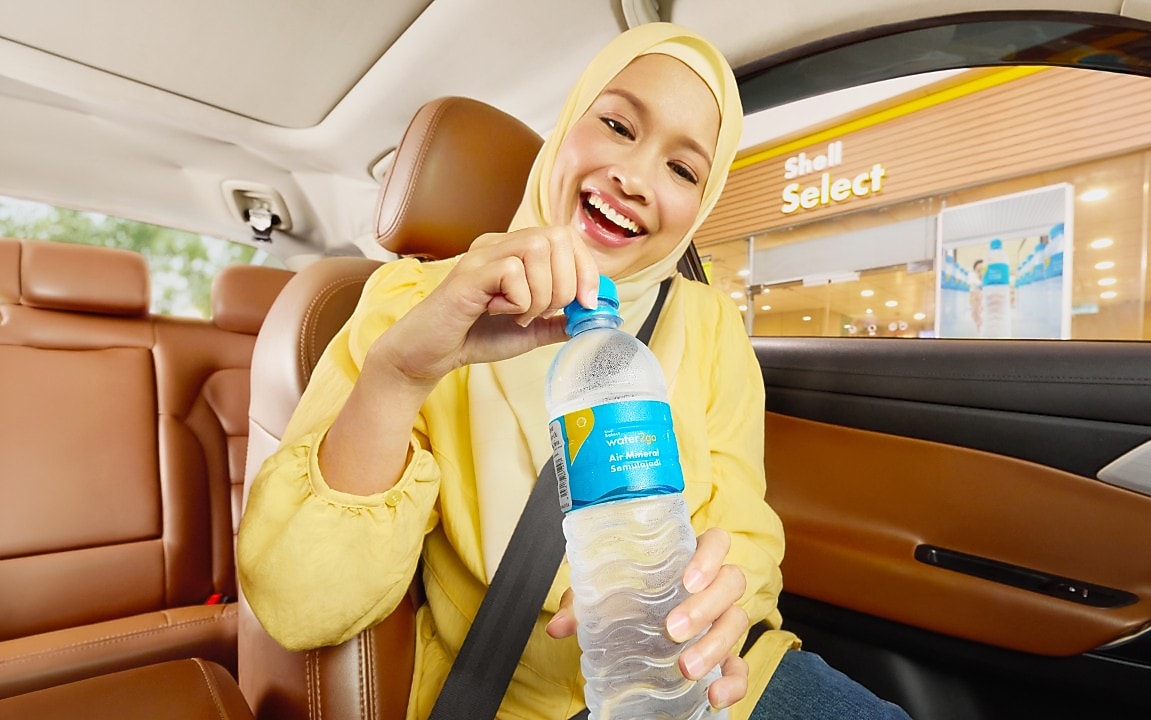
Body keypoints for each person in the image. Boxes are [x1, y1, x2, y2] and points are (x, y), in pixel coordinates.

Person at [238, 22, 910, 720]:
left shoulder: (709, 325)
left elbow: (742, 531)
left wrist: (724, 602)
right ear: (564, 130)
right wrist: (400, 374)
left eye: (683, 170)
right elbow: (300, 604)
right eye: (618, 125)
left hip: (702, 686)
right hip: (512, 698)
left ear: (699, 209)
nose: (637, 177)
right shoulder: (414, 305)